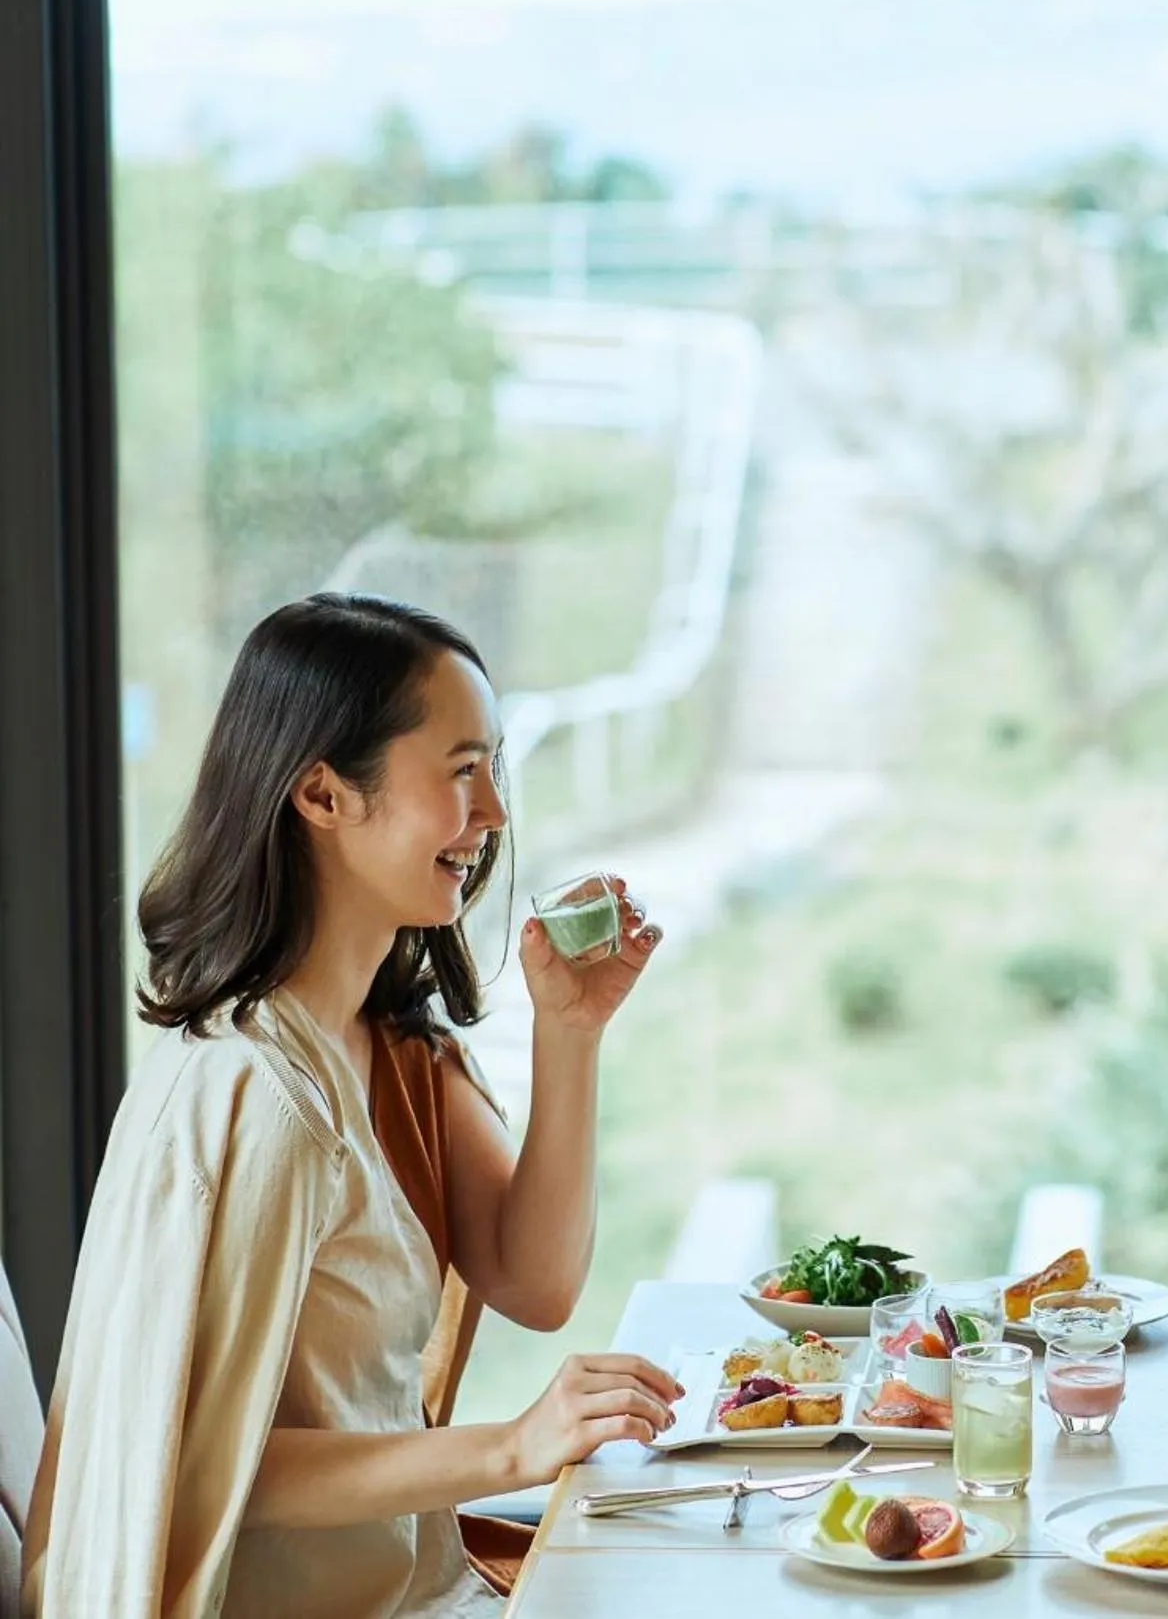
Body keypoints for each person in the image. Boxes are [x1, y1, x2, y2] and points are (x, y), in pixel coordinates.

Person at [24, 594, 682, 1618]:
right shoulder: (250, 1093)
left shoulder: (396, 1052)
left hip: (423, 1590)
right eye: (462, 771)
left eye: (494, 769)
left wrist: (572, 1035)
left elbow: (536, 1281)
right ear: (324, 796)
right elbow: (196, 1459)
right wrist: (512, 1445)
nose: (496, 814)